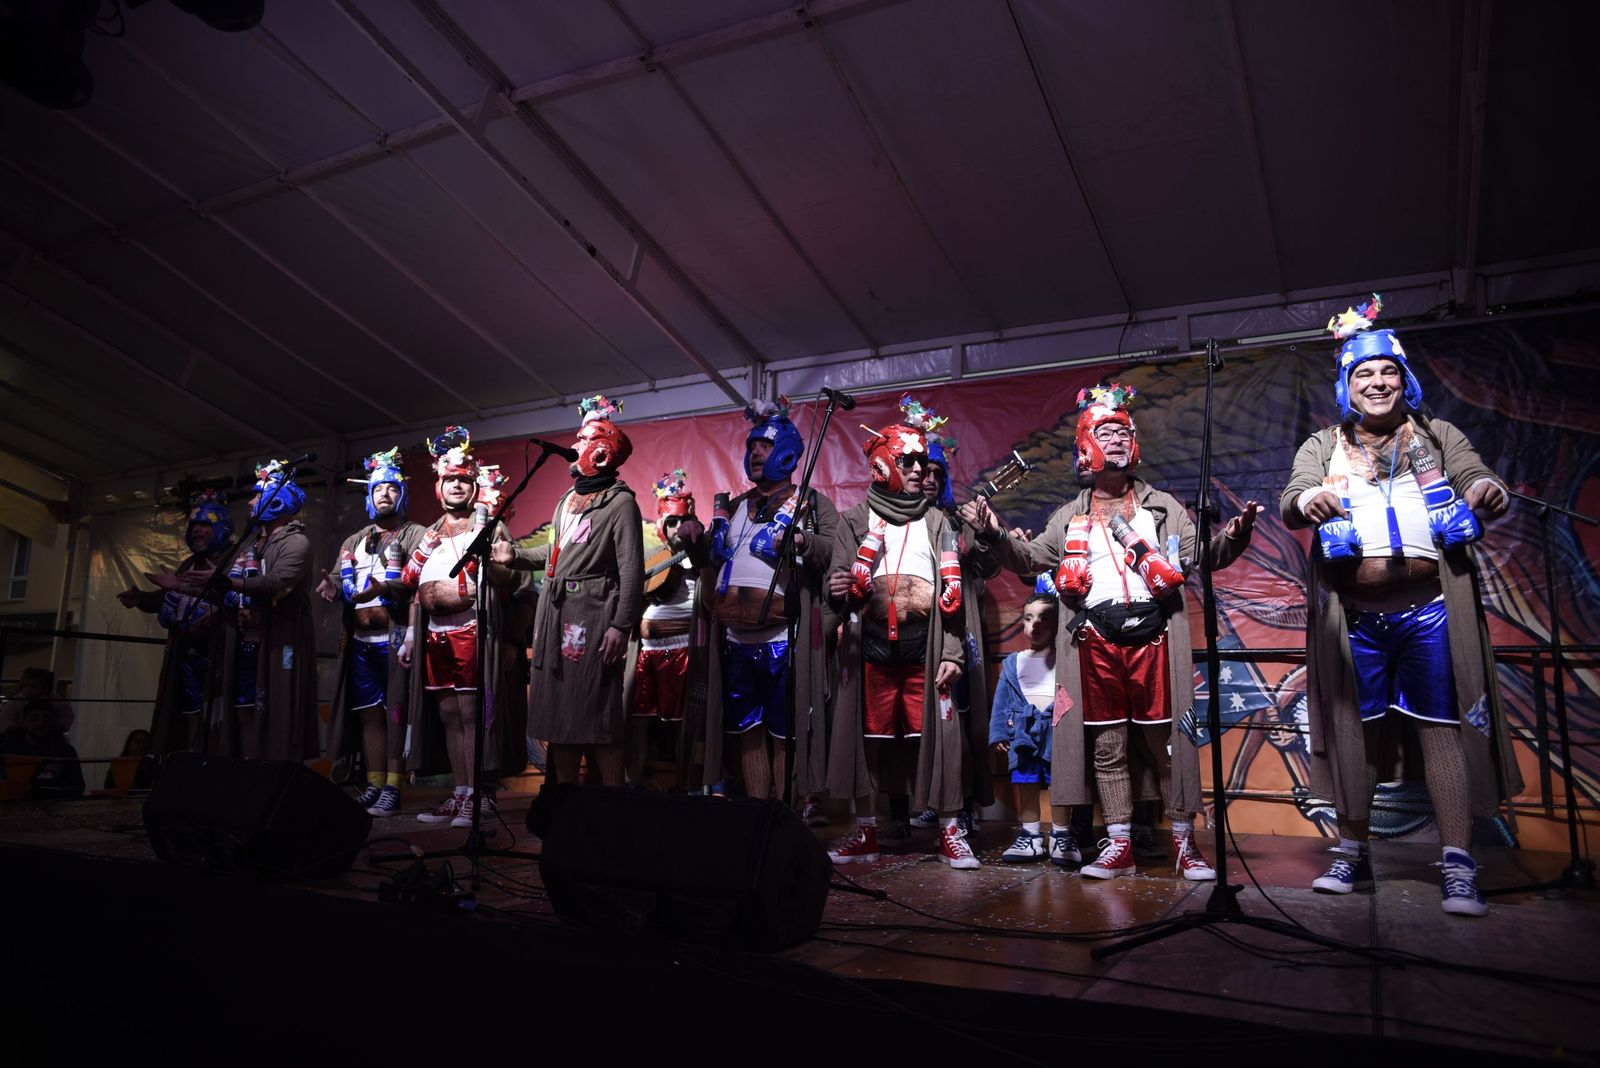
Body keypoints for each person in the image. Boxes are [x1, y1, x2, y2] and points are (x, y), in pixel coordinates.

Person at [1281, 296, 1521, 916]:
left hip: (1431, 610)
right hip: (1354, 616)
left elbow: (1472, 473)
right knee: (1354, 736)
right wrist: (1307, 503)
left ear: (1403, 378)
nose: (1378, 382)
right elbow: (1294, 493)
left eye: (1387, 371)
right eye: (1364, 373)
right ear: (1347, 385)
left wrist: (1483, 489)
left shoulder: (1438, 435)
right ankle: (1353, 852)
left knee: (1442, 731)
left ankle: (1459, 862)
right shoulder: (1322, 443)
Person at [962, 383, 1260, 881]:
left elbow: (1200, 557)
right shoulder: (1067, 516)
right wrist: (993, 534)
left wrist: (1234, 535)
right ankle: (1118, 843)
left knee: (1168, 744)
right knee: (1108, 746)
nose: (1118, 439)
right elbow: (1030, 560)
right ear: (1085, 445)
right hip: (1094, 641)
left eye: (1124, 431)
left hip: (1156, 636)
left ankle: (1186, 843)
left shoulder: (1162, 506)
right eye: (1106, 431)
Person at [826, 419, 975, 869]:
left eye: (920, 461)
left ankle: (949, 831)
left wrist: (952, 652)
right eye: (906, 461)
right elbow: (835, 589)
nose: (917, 469)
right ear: (882, 465)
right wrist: (836, 587)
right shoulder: (853, 521)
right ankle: (868, 831)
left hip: (925, 650)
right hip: (868, 649)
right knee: (867, 742)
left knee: (941, 741)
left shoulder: (940, 522)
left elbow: (956, 597)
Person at [696, 397, 838, 804]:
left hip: (782, 639)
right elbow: (710, 559)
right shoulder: (736, 507)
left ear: (788, 453)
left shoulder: (811, 503)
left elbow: (834, 550)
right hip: (736, 640)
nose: (755, 453)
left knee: (784, 732)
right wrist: (692, 540)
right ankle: (759, 817)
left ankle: (786, 820)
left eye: (765, 446)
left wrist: (802, 540)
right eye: (751, 446)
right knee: (748, 730)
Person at [502, 397, 643, 790]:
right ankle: (564, 805)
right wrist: (512, 555)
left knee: (595, 712)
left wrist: (621, 625)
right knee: (560, 716)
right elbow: (557, 554)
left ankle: (611, 809)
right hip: (554, 614)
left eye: (584, 439)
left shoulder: (620, 504)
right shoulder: (568, 498)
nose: (575, 444)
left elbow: (632, 568)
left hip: (592, 616)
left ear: (602, 451)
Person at [394, 427, 524, 826]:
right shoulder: (428, 532)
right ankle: (460, 792)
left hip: (472, 630)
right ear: (439, 486)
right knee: (448, 714)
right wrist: (413, 636)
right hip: (435, 634)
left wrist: (500, 567)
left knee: (471, 715)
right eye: (449, 480)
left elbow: (513, 584)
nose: (456, 486)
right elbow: (415, 590)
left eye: (463, 481)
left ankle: (480, 795)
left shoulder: (488, 527)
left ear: (473, 488)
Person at [897, 395, 998, 840]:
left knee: (960, 719)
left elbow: (986, 567)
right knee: (907, 726)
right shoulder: (893, 520)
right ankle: (915, 806)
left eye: (939, 472)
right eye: (924, 469)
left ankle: (963, 807)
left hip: (958, 633)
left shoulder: (958, 520)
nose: (931, 478)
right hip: (908, 636)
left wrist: (992, 538)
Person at [185, 460, 319, 762]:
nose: (250, 501)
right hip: (247, 642)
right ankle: (246, 770)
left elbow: (276, 581)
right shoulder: (250, 544)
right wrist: (179, 587)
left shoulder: (297, 542)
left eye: (258, 495)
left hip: (283, 642)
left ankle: (276, 776)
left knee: (280, 705)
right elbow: (224, 585)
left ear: (279, 501)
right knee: (244, 707)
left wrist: (227, 581)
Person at [319, 448, 426, 817]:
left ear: (402, 495)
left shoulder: (415, 533)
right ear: (369, 495)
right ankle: (375, 782)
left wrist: (384, 590)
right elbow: (337, 575)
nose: (385, 494)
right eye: (379, 489)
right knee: (368, 715)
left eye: (392, 489)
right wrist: (330, 587)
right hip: (360, 642)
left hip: (394, 638)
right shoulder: (353, 539)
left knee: (395, 713)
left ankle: (394, 786)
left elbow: (417, 581)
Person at [119, 490, 232, 755]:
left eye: (204, 525)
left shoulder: (230, 561)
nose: (197, 531)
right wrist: (144, 599)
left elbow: (235, 596)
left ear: (220, 527)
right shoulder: (190, 562)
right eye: (194, 526)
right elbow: (172, 595)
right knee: (188, 710)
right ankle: (190, 759)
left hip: (217, 650)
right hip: (185, 649)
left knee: (215, 714)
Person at [624, 469, 706, 787]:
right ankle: (633, 784)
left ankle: (687, 786)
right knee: (638, 719)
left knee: (682, 724)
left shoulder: (699, 553)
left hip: (683, 649)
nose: (675, 529)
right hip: (647, 652)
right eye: (670, 522)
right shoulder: (652, 557)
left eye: (680, 521)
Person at [989, 589, 1059, 861]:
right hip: (1024, 736)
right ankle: (1031, 835)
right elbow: (1001, 701)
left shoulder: (1066, 659)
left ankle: (1061, 834)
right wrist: (998, 734)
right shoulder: (1013, 662)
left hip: (1056, 734)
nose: (1035, 624)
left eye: (1044, 618)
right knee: (1026, 783)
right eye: (1029, 618)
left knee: (1061, 786)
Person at [1, 699, 85, 799]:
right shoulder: (6, 750)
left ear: (53, 721)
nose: (41, 723)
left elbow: (76, 788)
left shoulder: (65, 751)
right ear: (23, 720)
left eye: (47, 718)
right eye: (34, 717)